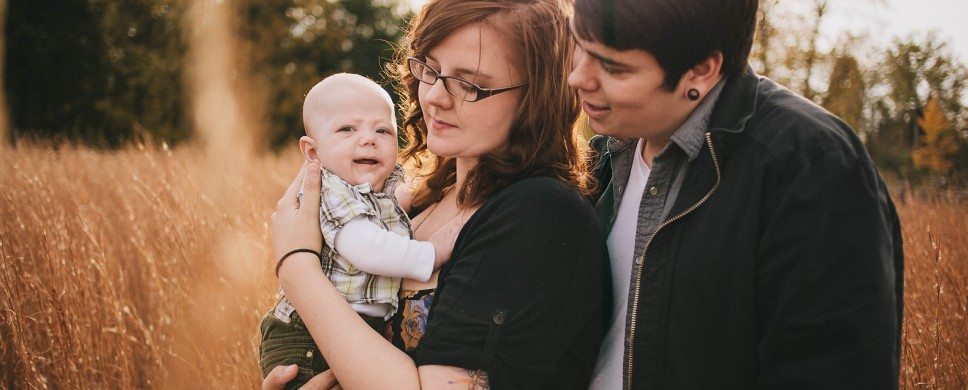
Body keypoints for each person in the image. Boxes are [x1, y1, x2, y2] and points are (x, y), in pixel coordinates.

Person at [266, 0, 610, 388]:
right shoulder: (421, 198)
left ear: (537, 97)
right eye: (430, 68)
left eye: (469, 84)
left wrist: (298, 269)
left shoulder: (541, 216)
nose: (433, 97)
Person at [569, 0, 904, 388]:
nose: (578, 77)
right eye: (579, 45)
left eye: (612, 66)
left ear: (700, 70)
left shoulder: (810, 168)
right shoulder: (599, 159)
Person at [258, 73, 457, 389]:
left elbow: (398, 202)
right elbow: (367, 248)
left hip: (349, 326)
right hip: (304, 336)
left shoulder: (377, 185)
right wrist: (430, 254)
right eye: (347, 129)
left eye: (382, 130)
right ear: (313, 152)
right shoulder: (332, 191)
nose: (368, 138)